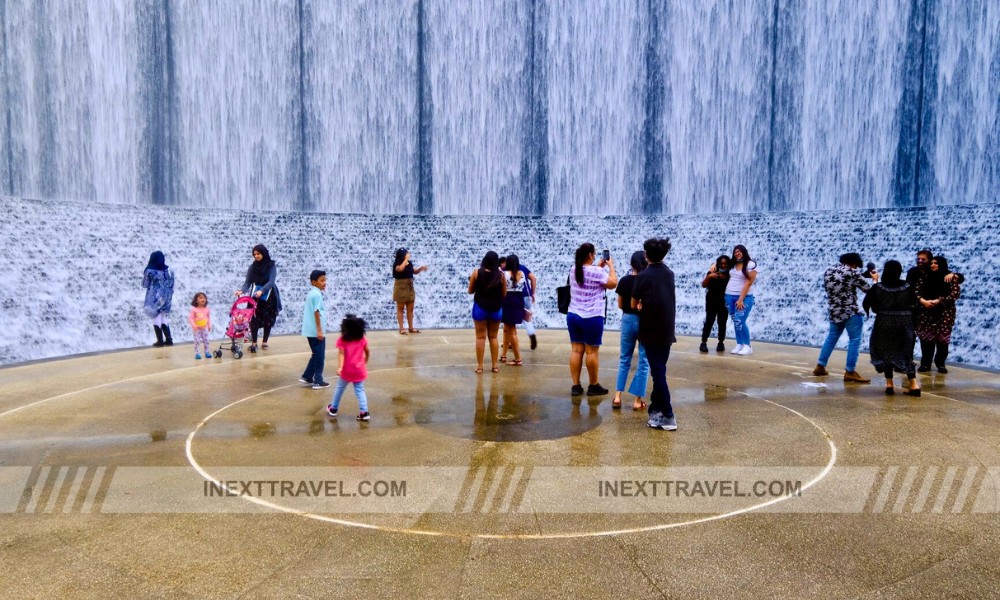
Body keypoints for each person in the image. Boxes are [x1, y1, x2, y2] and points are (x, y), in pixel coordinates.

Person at [631, 238, 677, 431]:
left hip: (649, 329)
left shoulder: (642, 276)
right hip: (667, 329)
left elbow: (633, 305)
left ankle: (668, 415)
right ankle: (655, 411)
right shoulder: (669, 273)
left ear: (646, 255)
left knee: (658, 373)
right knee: (660, 370)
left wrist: (641, 304)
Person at [812, 253, 877, 383]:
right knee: (855, 340)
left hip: (834, 311)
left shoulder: (829, 271)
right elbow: (870, 291)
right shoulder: (852, 273)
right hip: (850, 311)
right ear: (854, 263)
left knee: (831, 338)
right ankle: (850, 371)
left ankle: (820, 366)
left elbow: (842, 282)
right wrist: (875, 279)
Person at [863, 261, 920, 396]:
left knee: (886, 351)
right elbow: (915, 304)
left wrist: (875, 310)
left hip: (884, 320)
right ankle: (914, 385)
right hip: (905, 321)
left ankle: (889, 385)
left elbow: (868, 303)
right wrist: (914, 323)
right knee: (906, 352)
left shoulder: (879, 287)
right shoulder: (908, 286)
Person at [567, 243, 617, 396]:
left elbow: (588, 275)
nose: (595, 255)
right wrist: (611, 266)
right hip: (592, 317)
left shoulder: (573, 269)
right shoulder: (596, 272)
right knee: (591, 352)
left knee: (576, 350)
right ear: (590, 255)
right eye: (594, 254)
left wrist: (598, 267)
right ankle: (593, 386)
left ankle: (576, 386)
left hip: (573, 315)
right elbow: (613, 283)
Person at [613, 250, 649, 411]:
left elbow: (620, 305)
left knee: (624, 359)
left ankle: (617, 397)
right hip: (645, 321)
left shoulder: (624, 281)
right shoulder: (649, 281)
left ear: (631, 265)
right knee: (643, 361)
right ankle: (637, 400)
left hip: (627, 319)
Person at [915, 256, 961, 374]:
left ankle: (940, 363)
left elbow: (955, 294)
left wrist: (939, 300)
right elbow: (917, 291)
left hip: (944, 313)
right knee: (926, 340)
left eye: (936, 263)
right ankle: (925, 363)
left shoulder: (950, 278)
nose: (933, 265)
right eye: (932, 263)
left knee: (942, 340)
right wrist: (922, 301)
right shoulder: (925, 277)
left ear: (942, 264)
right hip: (926, 311)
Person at [326, 314, 371, 421]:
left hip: (347, 370)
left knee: (339, 389)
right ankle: (364, 412)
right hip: (359, 369)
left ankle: (333, 408)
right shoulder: (362, 339)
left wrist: (340, 367)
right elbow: (367, 351)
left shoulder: (342, 340)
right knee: (360, 390)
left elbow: (341, 353)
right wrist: (365, 361)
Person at [237, 244, 282, 352]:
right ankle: (254, 343)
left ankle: (265, 342)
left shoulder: (271, 265)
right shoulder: (252, 267)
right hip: (255, 296)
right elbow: (247, 282)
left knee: (268, 319)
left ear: (264, 253)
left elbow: (271, 281)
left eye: (258, 254)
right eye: (254, 254)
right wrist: (242, 290)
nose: (256, 256)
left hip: (269, 295)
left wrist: (262, 291)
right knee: (254, 319)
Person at [468, 251, 507, 374]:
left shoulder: (477, 273)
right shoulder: (501, 275)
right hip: (496, 309)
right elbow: (504, 294)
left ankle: (480, 367)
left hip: (480, 308)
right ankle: (495, 366)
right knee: (494, 337)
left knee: (480, 338)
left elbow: (470, 291)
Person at [299, 270, 329, 389]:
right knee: (320, 356)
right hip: (315, 331)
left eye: (325, 280)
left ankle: (307, 376)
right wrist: (319, 330)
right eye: (322, 280)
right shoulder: (317, 295)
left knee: (316, 354)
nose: (324, 283)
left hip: (309, 330)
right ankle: (318, 380)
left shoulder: (312, 293)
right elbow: (316, 312)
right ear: (314, 282)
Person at [725, 245, 758, 355]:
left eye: (739, 251)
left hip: (744, 297)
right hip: (729, 296)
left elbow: (749, 283)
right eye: (735, 252)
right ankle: (739, 344)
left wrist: (741, 299)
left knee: (740, 320)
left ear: (744, 252)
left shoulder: (751, 264)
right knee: (736, 321)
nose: (737, 253)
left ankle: (747, 345)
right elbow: (721, 262)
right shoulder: (733, 263)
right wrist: (713, 266)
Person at [392, 248, 429, 335]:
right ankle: (401, 328)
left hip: (410, 286)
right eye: (406, 253)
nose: (408, 254)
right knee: (400, 308)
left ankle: (411, 327)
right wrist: (406, 259)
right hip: (401, 287)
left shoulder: (409, 263)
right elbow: (400, 269)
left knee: (410, 308)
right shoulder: (397, 264)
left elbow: (414, 271)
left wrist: (421, 268)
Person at [142, 250, 175, 347]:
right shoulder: (169, 270)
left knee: (156, 317)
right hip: (167, 297)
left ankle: (160, 341)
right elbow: (172, 284)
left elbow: (145, 284)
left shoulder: (150, 271)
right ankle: (169, 339)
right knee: (164, 317)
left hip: (155, 297)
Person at [700, 255, 730, 353]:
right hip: (712, 300)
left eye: (725, 263)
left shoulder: (731, 273)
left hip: (724, 301)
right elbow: (703, 285)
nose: (724, 265)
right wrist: (709, 276)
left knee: (722, 322)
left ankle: (721, 342)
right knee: (709, 320)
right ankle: (703, 342)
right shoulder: (712, 272)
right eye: (721, 263)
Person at [500, 254, 526, 366]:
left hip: (508, 301)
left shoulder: (504, 274)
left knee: (512, 331)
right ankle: (503, 354)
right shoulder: (522, 274)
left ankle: (518, 359)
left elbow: (503, 291)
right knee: (506, 329)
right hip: (518, 301)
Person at [188, 292, 212, 360]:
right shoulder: (194, 309)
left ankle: (207, 352)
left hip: (205, 328)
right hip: (197, 329)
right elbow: (191, 318)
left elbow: (208, 318)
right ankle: (197, 353)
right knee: (197, 341)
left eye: (204, 298)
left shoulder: (207, 309)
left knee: (206, 340)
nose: (203, 299)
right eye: (200, 298)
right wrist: (194, 325)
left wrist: (209, 325)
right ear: (196, 300)